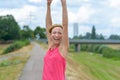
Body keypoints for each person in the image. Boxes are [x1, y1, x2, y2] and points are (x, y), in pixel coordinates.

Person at [42, 0, 69, 80]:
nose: (57, 35)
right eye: (54, 32)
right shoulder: (50, 46)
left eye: (60, 33)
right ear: (50, 35)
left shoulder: (62, 49)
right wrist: (48, 5)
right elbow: (48, 25)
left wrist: (63, 4)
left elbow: (65, 24)